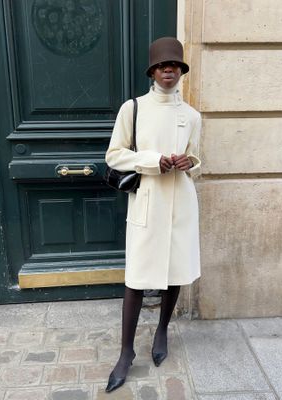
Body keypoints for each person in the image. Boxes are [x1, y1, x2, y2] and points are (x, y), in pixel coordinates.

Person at [105, 36, 201, 393]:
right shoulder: (134, 108)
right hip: (147, 200)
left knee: (174, 271)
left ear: (180, 71)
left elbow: (197, 158)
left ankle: (161, 332)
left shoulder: (192, 115)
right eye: (162, 65)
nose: (169, 70)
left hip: (181, 202)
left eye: (174, 65)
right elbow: (114, 155)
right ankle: (126, 352)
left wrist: (190, 161)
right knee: (137, 278)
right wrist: (151, 160)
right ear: (153, 71)